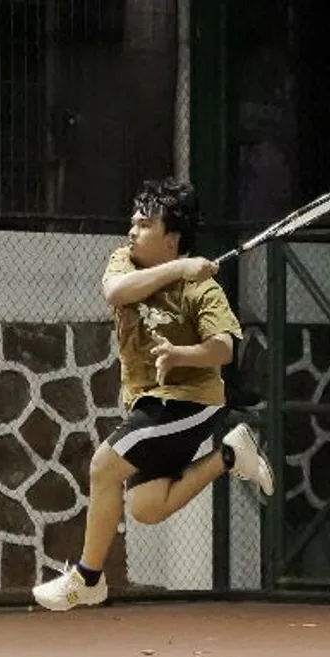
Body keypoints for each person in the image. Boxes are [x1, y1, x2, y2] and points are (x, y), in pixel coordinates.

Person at [32, 177, 274, 611]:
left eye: (145, 225)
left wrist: (181, 353)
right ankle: (230, 455)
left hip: (189, 399)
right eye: (133, 222)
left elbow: (223, 349)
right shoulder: (125, 261)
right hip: (148, 399)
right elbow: (114, 292)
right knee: (146, 507)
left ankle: (87, 579)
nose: (133, 231)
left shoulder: (203, 289)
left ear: (172, 239)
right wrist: (178, 269)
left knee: (104, 466)